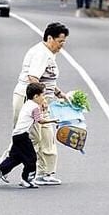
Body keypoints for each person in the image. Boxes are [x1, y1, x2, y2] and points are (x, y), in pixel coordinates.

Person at [12, 22, 70, 185]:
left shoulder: (48, 53)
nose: (62, 46)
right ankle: (3, 164)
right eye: (60, 42)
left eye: (64, 42)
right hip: (31, 100)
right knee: (28, 137)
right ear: (49, 38)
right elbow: (34, 78)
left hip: (40, 100)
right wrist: (41, 101)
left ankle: (45, 173)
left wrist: (58, 93)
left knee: (46, 136)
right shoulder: (42, 54)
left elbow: (47, 78)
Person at [0, 83, 59, 189]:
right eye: (43, 95)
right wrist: (54, 120)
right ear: (36, 96)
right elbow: (40, 121)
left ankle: (0, 168)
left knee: (16, 158)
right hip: (22, 136)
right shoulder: (34, 107)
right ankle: (26, 179)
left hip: (17, 135)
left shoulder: (28, 103)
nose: (44, 98)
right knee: (31, 158)